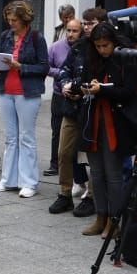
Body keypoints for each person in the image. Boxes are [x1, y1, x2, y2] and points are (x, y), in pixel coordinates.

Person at [74, 21, 135, 242]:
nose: (102, 49)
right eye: (98, 45)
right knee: (96, 173)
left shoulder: (124, 58)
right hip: (93, 121)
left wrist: (103, 91)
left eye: (105, 45)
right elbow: (83, 81)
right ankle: (100, 216)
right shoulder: (92, 58)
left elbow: (128, 91)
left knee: (113, 175)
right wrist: (83, 88)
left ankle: (114, 220)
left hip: (114, 123)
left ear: (114, 42)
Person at [0, 0, 50, 199]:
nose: (11, 24)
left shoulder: (36, 38)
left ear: (25, 20)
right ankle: (9, 180)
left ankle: (29, 182)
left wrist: (20, 66)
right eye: (9, 20)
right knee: (10, 137)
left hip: (27, 92)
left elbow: (44, 67)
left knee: (26, 137)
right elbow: (2, 60)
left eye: (15, 20)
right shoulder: (5, 36)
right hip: (5, 90)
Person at [47, 16, 91, 213]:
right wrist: (65, 85)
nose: (72, 34)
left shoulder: (98, 49)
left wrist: (82, 90)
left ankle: (91, 197)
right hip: (70, 109)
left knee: (89, 157)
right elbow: (64, 69)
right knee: (64, 153)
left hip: (90, 110)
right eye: (69, 30)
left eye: (91, 24)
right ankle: (64, 194)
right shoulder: (76, 49)